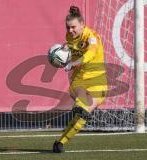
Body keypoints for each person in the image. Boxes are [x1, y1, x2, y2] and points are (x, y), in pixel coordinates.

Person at [53, 6, 108, 153]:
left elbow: (90, 54)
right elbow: (71, 49)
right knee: (83, 103)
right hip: (79, 79)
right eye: (68, 27)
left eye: (73, 27)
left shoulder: (92, 37)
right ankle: (80, 106)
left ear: (82, 24)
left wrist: (73, 63)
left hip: (98, 80)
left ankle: (60, 143)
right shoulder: (69, 36)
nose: (70, 30)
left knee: (82, 116)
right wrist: (62, 54)